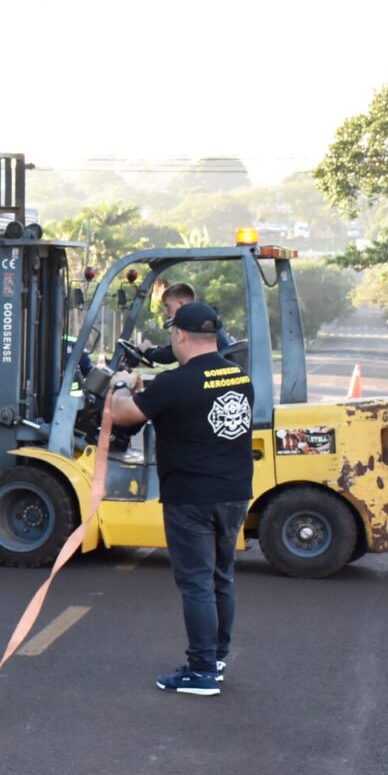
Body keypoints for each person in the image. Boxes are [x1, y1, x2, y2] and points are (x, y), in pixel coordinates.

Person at [105, 300, 254, 696]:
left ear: (180, 335)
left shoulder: (176, 382)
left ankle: (202, 670)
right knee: (221, 576)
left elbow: (123, 415)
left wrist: (122, 382)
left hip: (192, 498)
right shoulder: (239, 377)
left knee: (196, 583)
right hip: (235, 493)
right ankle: (217, 658)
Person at [141, 282, 234, 365]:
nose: (165, 312)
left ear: (181, 304)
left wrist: (147, 350)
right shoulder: (205, 319)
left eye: (167, 306)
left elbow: (169, 355)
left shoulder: (194, 323)